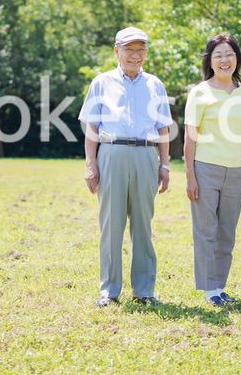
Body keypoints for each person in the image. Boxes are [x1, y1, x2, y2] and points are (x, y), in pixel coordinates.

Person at [79, 26, 173, 308]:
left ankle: (144, 290)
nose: (135, 55)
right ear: (116, 51)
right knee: (111, 224)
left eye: (140, 50)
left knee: (143, 224)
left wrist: (165, 165)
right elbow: (92, 127)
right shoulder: (101, 83)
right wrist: (90, 164)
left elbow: (163, 128)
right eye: (129, 49)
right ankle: (109, 290)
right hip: (111, 153)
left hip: (146, 155)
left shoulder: (155, 85)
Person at [184, 34, 241, 307]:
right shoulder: (200, 92)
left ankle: (220, 286)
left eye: (229, 54)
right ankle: (208, 289)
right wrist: (190, 176)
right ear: (210, 61)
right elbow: (191, 138)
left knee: (227, 232)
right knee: (206, 230)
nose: (224, 60)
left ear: (237, 58)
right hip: (205, 168)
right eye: (218, 55)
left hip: (237, 171)